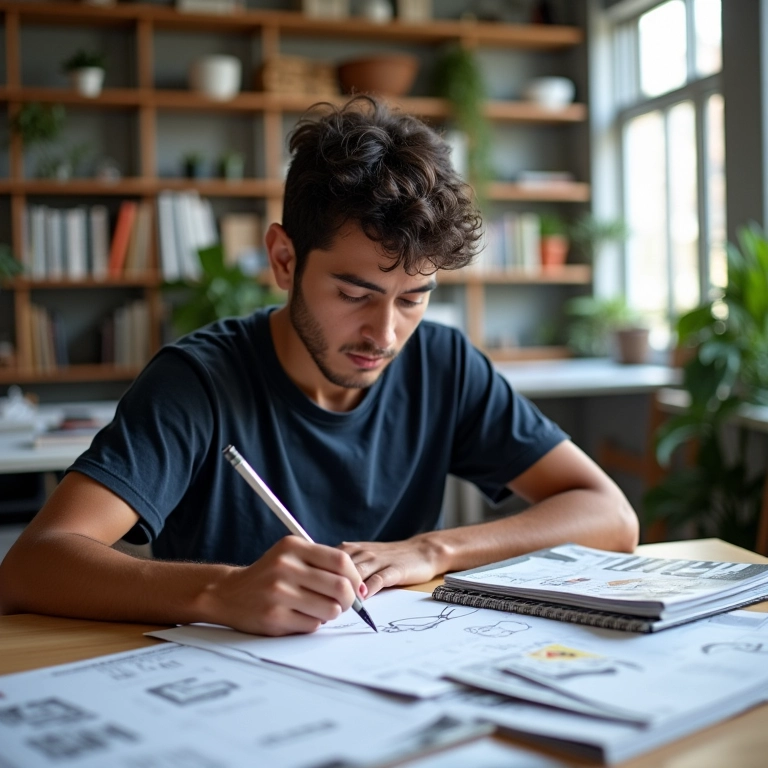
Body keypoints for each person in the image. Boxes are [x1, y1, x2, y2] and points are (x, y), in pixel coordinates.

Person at [0, 96, 638, 636]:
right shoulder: (197, 382)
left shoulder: (442, 364)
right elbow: (33, 565)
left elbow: (610, 515)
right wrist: (220, 593)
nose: (384, 334)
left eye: (415, 298)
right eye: (355, 295)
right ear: (284, 259)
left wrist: (433, 549)